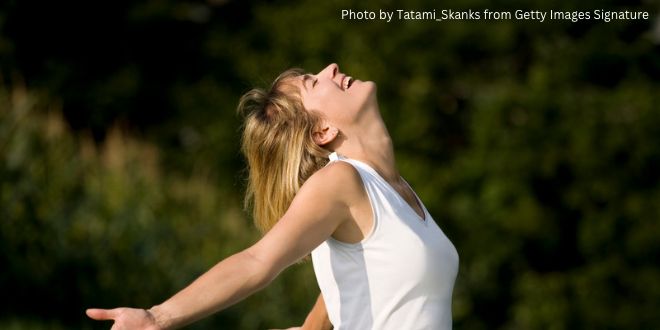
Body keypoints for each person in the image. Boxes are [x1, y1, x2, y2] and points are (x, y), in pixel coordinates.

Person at [86, 63, 459, 329]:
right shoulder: (341, 180)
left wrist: (311, 328)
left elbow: (363, 274)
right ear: (323, 131)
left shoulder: (396, 188)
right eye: (314, 82)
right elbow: (257, 261)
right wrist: (157, 318)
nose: (331, 68)